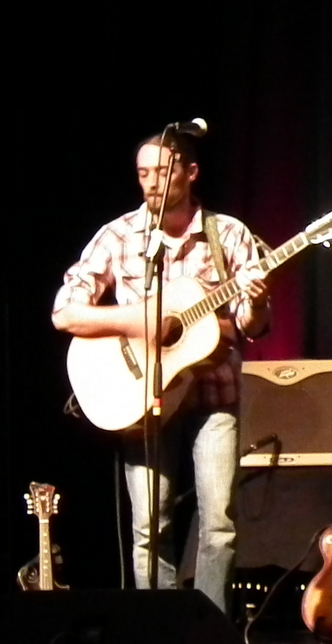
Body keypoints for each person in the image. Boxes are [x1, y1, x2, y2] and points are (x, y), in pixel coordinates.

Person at [53, 131, 269, 613]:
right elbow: (65, 313)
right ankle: (161, 631)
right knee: (150, 527)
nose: (151, 182)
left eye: (163, 172)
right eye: (143, 173)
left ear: (191, 173)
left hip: (214, 395)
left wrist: (254, 302)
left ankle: (209, 634)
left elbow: (252, 327)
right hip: (143, 396)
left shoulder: (228, 234)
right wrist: (141, 322)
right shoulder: (119, 235)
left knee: (219, 525)